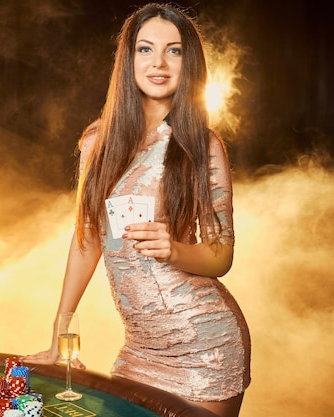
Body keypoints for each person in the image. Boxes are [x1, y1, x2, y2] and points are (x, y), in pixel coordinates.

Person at [23, 3, 251, 417]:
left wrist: (174, 249)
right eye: (145, 49)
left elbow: (222, 255)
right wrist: (62, 332)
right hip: (140, 350)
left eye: (174, 51)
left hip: (204, 345)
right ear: (128, 60)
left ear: (189, 63)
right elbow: (87, 239)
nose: (159, 63)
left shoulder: (205, 145)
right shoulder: (97, 141)